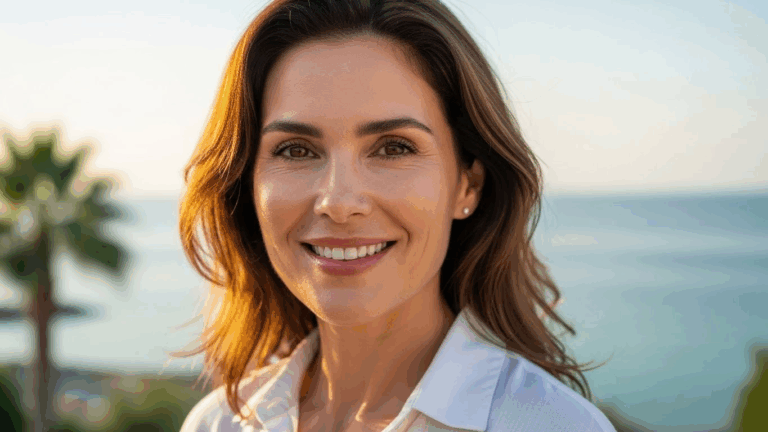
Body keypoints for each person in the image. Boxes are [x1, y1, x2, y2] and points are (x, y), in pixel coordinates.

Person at [174, 0, 615, 431]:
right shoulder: (218, 423)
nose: (339, 201)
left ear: (468, 185)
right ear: (247, 186)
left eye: (393, 147)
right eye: (296, 150)